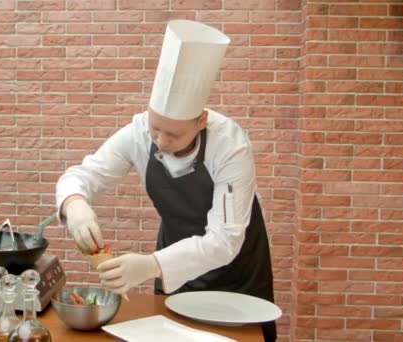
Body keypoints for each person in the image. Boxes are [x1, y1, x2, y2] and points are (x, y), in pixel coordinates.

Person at [56, 19, 277, 341]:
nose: (160, 140)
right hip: (174, 265)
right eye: (155, 128)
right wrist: (74, 203)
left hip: (235, 267)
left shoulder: (230, 144)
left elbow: (224, 241)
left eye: (173, 133)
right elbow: (81, 175)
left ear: (201, 120)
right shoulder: (137, 132)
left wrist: (150, 264)